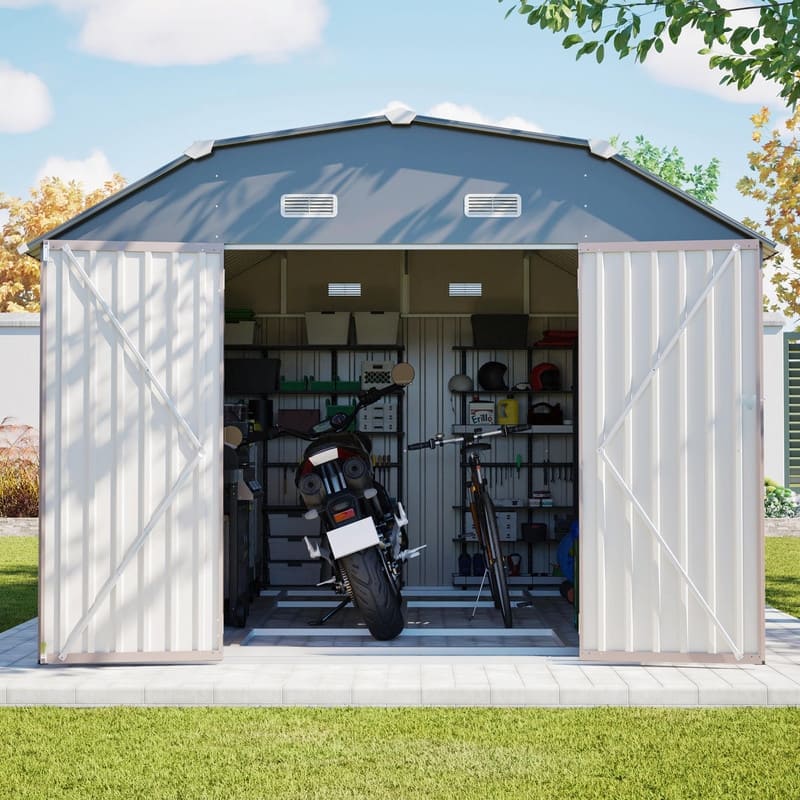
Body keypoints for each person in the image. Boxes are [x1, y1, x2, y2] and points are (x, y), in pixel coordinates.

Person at [557, 520, 578, 604]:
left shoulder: (566, 539)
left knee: (564, 587)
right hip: (578, 577)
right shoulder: (578, 539)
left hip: (572, 577)